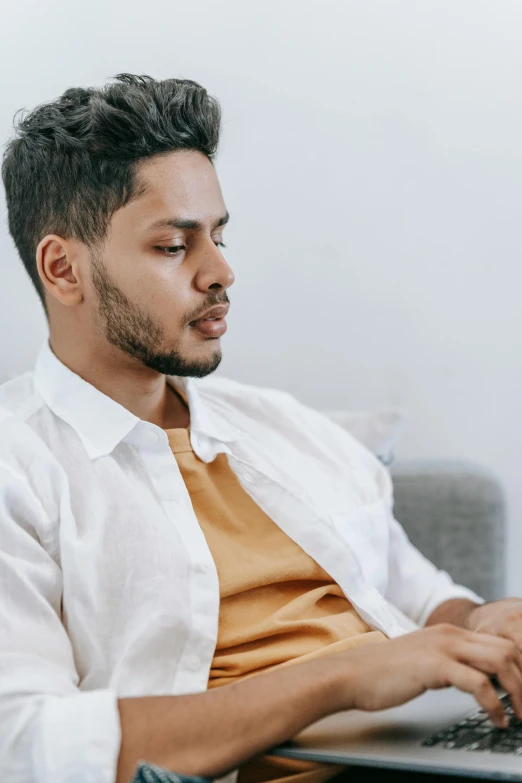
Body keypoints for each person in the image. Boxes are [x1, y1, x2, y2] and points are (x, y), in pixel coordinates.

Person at [1, 74, 522, 783]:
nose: (222, 271)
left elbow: (428, 598)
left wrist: (489, 624)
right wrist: (340, 677)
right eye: (173, 246)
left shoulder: (283, 428)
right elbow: (29, 746)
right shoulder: (19, 466)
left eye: (218, 235)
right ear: (64, 269)